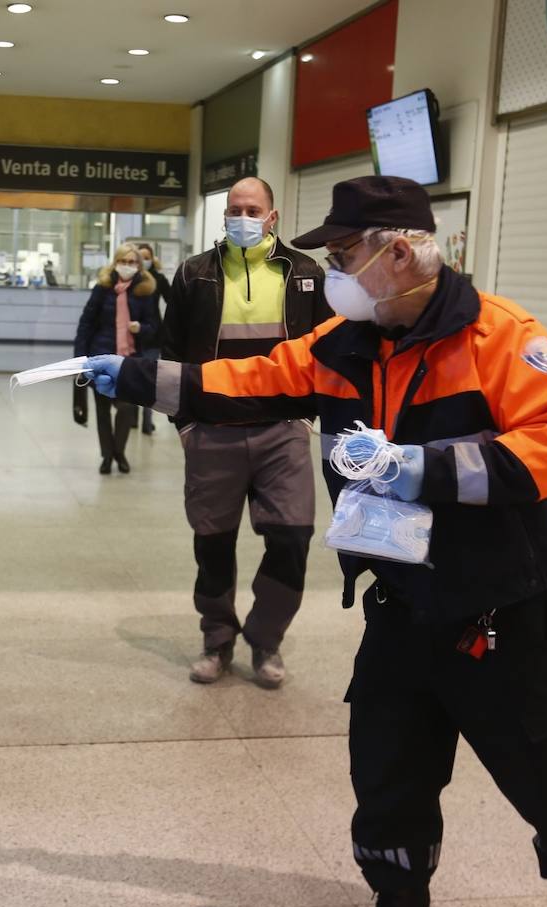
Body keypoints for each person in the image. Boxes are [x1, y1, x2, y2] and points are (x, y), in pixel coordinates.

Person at [84, 175, 547, 907]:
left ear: (398, 253)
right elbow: (251, 379)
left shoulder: (501, 336)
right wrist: (143, 377)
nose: (332, 275)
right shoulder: (345, 344)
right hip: (400, 602)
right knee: (387, 768)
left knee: (545, 767)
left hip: (497, 606)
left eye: (343, 256)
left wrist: (422, 468)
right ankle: (399, 895)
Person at [160, 176, 328, 688]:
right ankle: (217, 638)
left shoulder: (305, 273)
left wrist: (307, 416)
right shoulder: (195, 275)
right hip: (212, 432)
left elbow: (327, 348)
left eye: (252, 209)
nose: (242, 217)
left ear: (272, 217)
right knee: (212, 544)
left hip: (283, 431)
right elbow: (171, 356)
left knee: (292, 537)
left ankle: (266, 637)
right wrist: (185, 423)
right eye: (235, 208)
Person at [73, 243, 158, 474]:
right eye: (124, 261)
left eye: (132, 262)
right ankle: (106, 456)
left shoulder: (144, 291)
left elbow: (155, 326)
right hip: (101, 355)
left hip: (130, 360)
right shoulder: (103, 288)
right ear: (115, 263)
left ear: (139, 266)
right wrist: (80, 358)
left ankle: (119, 452)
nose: (127, 266)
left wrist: (141, 328)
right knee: (102, 410)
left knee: (126, 408)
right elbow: (86, 323)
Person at [136, 242, 171, 435]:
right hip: (132, 336)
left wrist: (167, 328)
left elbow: (173, 300)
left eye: (147, 257)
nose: (144, 261)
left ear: (152, 259)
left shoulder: (158, 278)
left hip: (153, 335)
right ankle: (131, 416)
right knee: (131, 375)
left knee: (148, 378)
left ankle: (146, 420)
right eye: (141, 258)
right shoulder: (131, 278)